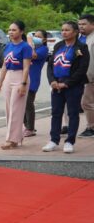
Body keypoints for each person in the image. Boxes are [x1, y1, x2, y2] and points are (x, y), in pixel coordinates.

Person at [43, 21, 90, 154]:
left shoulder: (81, 47)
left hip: (73, 86)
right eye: (62, 30)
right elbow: (50, 65)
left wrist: (67, 83)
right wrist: (52, 81)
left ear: (75, 32)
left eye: (67, 30)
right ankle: (53, 140)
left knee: (73, 113)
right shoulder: (58, 45)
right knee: (56, 113)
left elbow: (82, 69)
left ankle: (70, 141)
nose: (64, 32)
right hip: (57, 85)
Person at [0, 21, 32, 149]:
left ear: (21, 32)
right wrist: (0, 81)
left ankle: (11, 139)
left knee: (16, 109)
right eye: (9, 30)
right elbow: (5, 65)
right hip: (9, 77)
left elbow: (26, 67)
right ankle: (16, 136)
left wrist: (23, 83)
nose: (11, 32)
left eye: (14, 30)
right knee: (9, 109)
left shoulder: (25, 47)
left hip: (20, 76)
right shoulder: (8, 46)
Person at [24, 30, 49, 137]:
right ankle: (26, 126)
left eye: (38, 37)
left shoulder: (43, 49)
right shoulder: (33, 46)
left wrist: (30, 42)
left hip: (33, 79)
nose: (35, 38)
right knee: (22, 104)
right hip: (24, 78)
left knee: (28, 103)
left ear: (44, 40)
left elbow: (32, 55)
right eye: (35, 36)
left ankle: (30, 128)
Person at [78, 14, 94, 138]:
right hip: (88, 77)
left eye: (84, 24)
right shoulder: (86, 39)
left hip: (91, 77)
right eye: (79, 24)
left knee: (86, 103)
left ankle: (91, 127)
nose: (81, 27)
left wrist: (89, 77)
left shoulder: (92, 40)